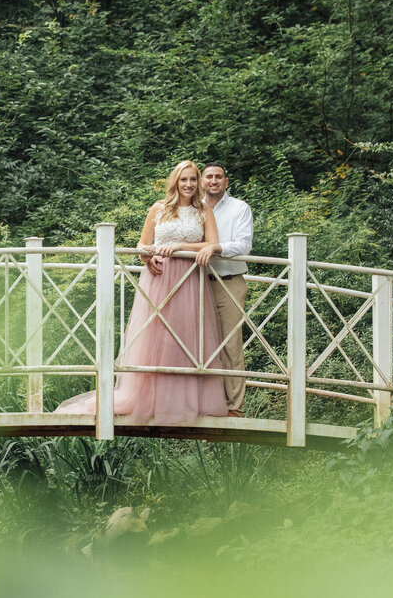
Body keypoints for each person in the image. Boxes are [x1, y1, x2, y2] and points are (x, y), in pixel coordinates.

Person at [55, 160, 228, 424]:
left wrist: (181, 245)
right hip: (159, 278)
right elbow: (142, 245)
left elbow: (213, 243)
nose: (189, 185)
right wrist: (147, 258)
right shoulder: (159, 209)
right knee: (157, 338)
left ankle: (187, 400)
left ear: (199, 183)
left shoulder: (204, 210)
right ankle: (152, 397)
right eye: (184, 180)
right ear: (175, 182)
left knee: (187, 337)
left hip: (190, 279)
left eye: (193, 179)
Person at [148, 161, 253, 416]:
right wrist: (148, 255)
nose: (213, 181)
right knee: (193, 343)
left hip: (227, 281)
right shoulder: (192, 206)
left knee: (229, 344)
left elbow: (242, 244)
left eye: (219, 177)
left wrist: (214, 248)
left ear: (225, 181)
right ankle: (192, 401)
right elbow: (147, 243)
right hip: (193, 282)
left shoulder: (239, 208)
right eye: (209, 177)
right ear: (202, 181)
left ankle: (233, 407)